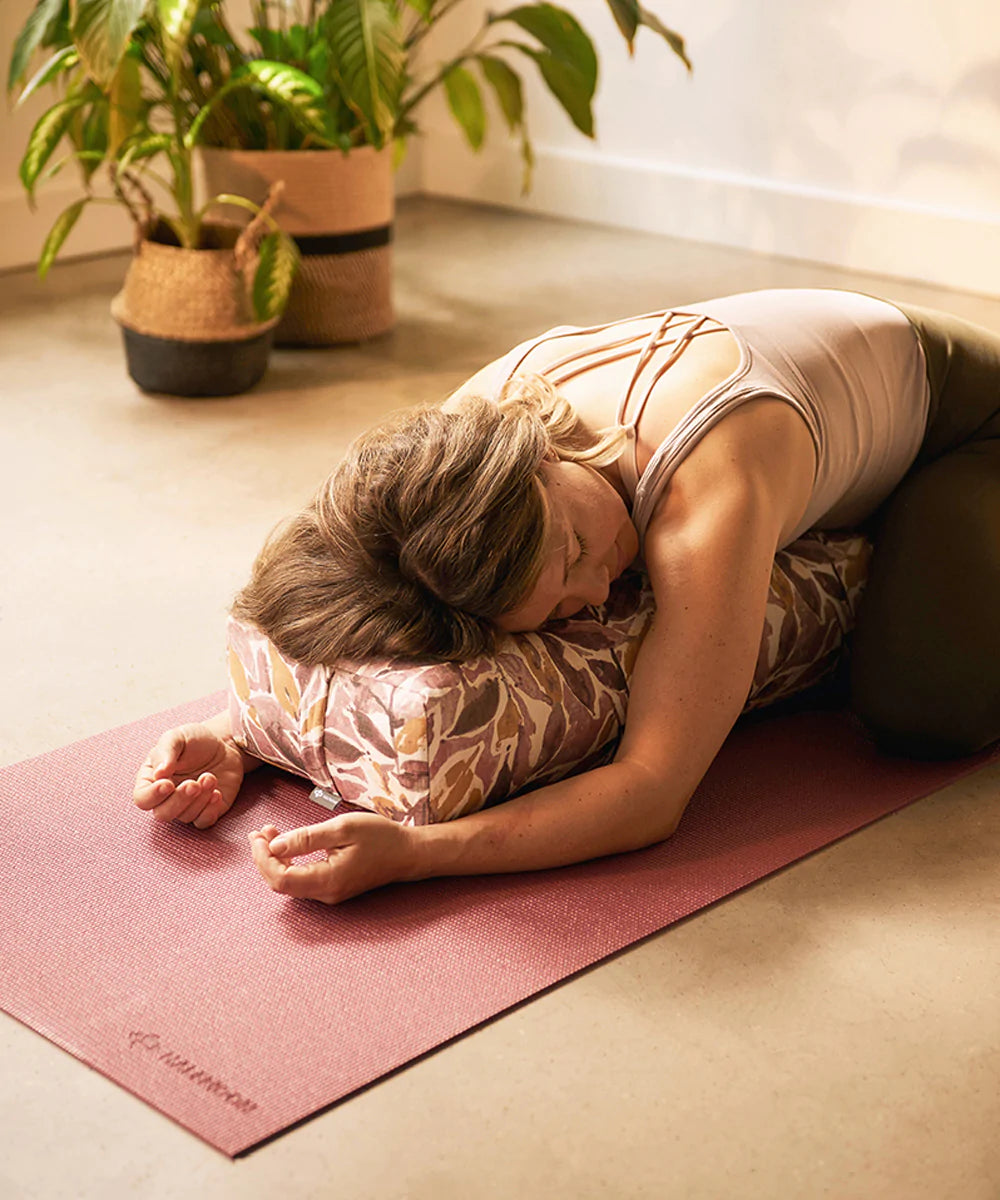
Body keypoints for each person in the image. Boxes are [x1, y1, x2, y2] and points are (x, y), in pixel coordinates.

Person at [132, 288, 1000, 904]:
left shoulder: (705, 487)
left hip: (972, 428)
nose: (596, 590)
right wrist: (244, 734)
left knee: (920, 710)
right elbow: (368, 573)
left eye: (578, 550)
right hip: (842, 398)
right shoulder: (467, 440)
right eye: (554, 610)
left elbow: (653, 793)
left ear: (543, 459)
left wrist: (419, 855)